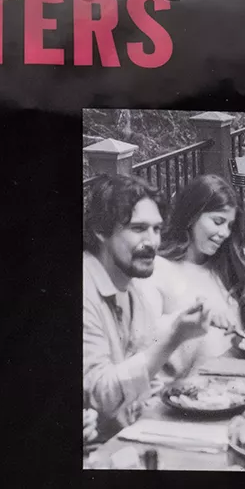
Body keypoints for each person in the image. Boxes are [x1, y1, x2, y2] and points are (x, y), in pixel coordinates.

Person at [82, 172, 208, 440]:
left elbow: (148, 389)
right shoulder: (84, 289)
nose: (152, 242)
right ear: (101, 231)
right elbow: (101, 397)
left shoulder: (132, 287)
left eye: (157, 229)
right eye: (138, 229)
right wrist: (173, 339)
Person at [151, 173, 245, 339]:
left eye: (229, 225)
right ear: (191, 216)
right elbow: (147, 338)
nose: (224, 233)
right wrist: (196, 316)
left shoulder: (227, 257)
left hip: (238, 354)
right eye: (217, 222)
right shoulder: (158, 268)